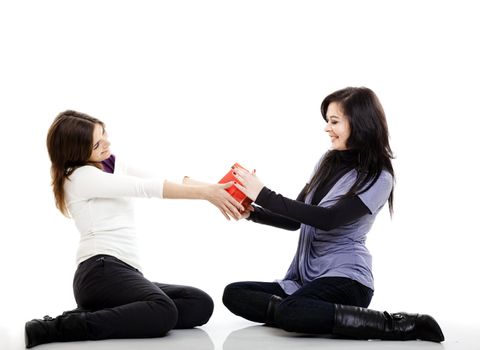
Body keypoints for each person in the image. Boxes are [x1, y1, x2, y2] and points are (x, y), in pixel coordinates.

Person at [222, 87, 445, 342]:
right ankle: (299, 312)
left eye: (334, 121)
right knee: (234, 294)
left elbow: (328, 219)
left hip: (347, 279)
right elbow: (297, 220)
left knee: (291, 310)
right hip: (304, 280)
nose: (327, 128)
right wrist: (253, 213)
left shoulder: (380, 177)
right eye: (327, 121)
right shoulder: (327, 162)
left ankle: (392, 325)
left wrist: (264, 194)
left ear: (360, 123)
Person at [25, 110, 244, 348]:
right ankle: (54, 328)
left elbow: (161, 178)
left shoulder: (108, 162)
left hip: (123, 272)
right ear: (77, 152)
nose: (107, 143)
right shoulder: (80, 176)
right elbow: (145, 188)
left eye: (104, 133)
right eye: (97, 144)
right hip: (100, 271)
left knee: (198, 303)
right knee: (163, 311)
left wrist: (215, 188)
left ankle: (96, 313)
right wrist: (205, 195)